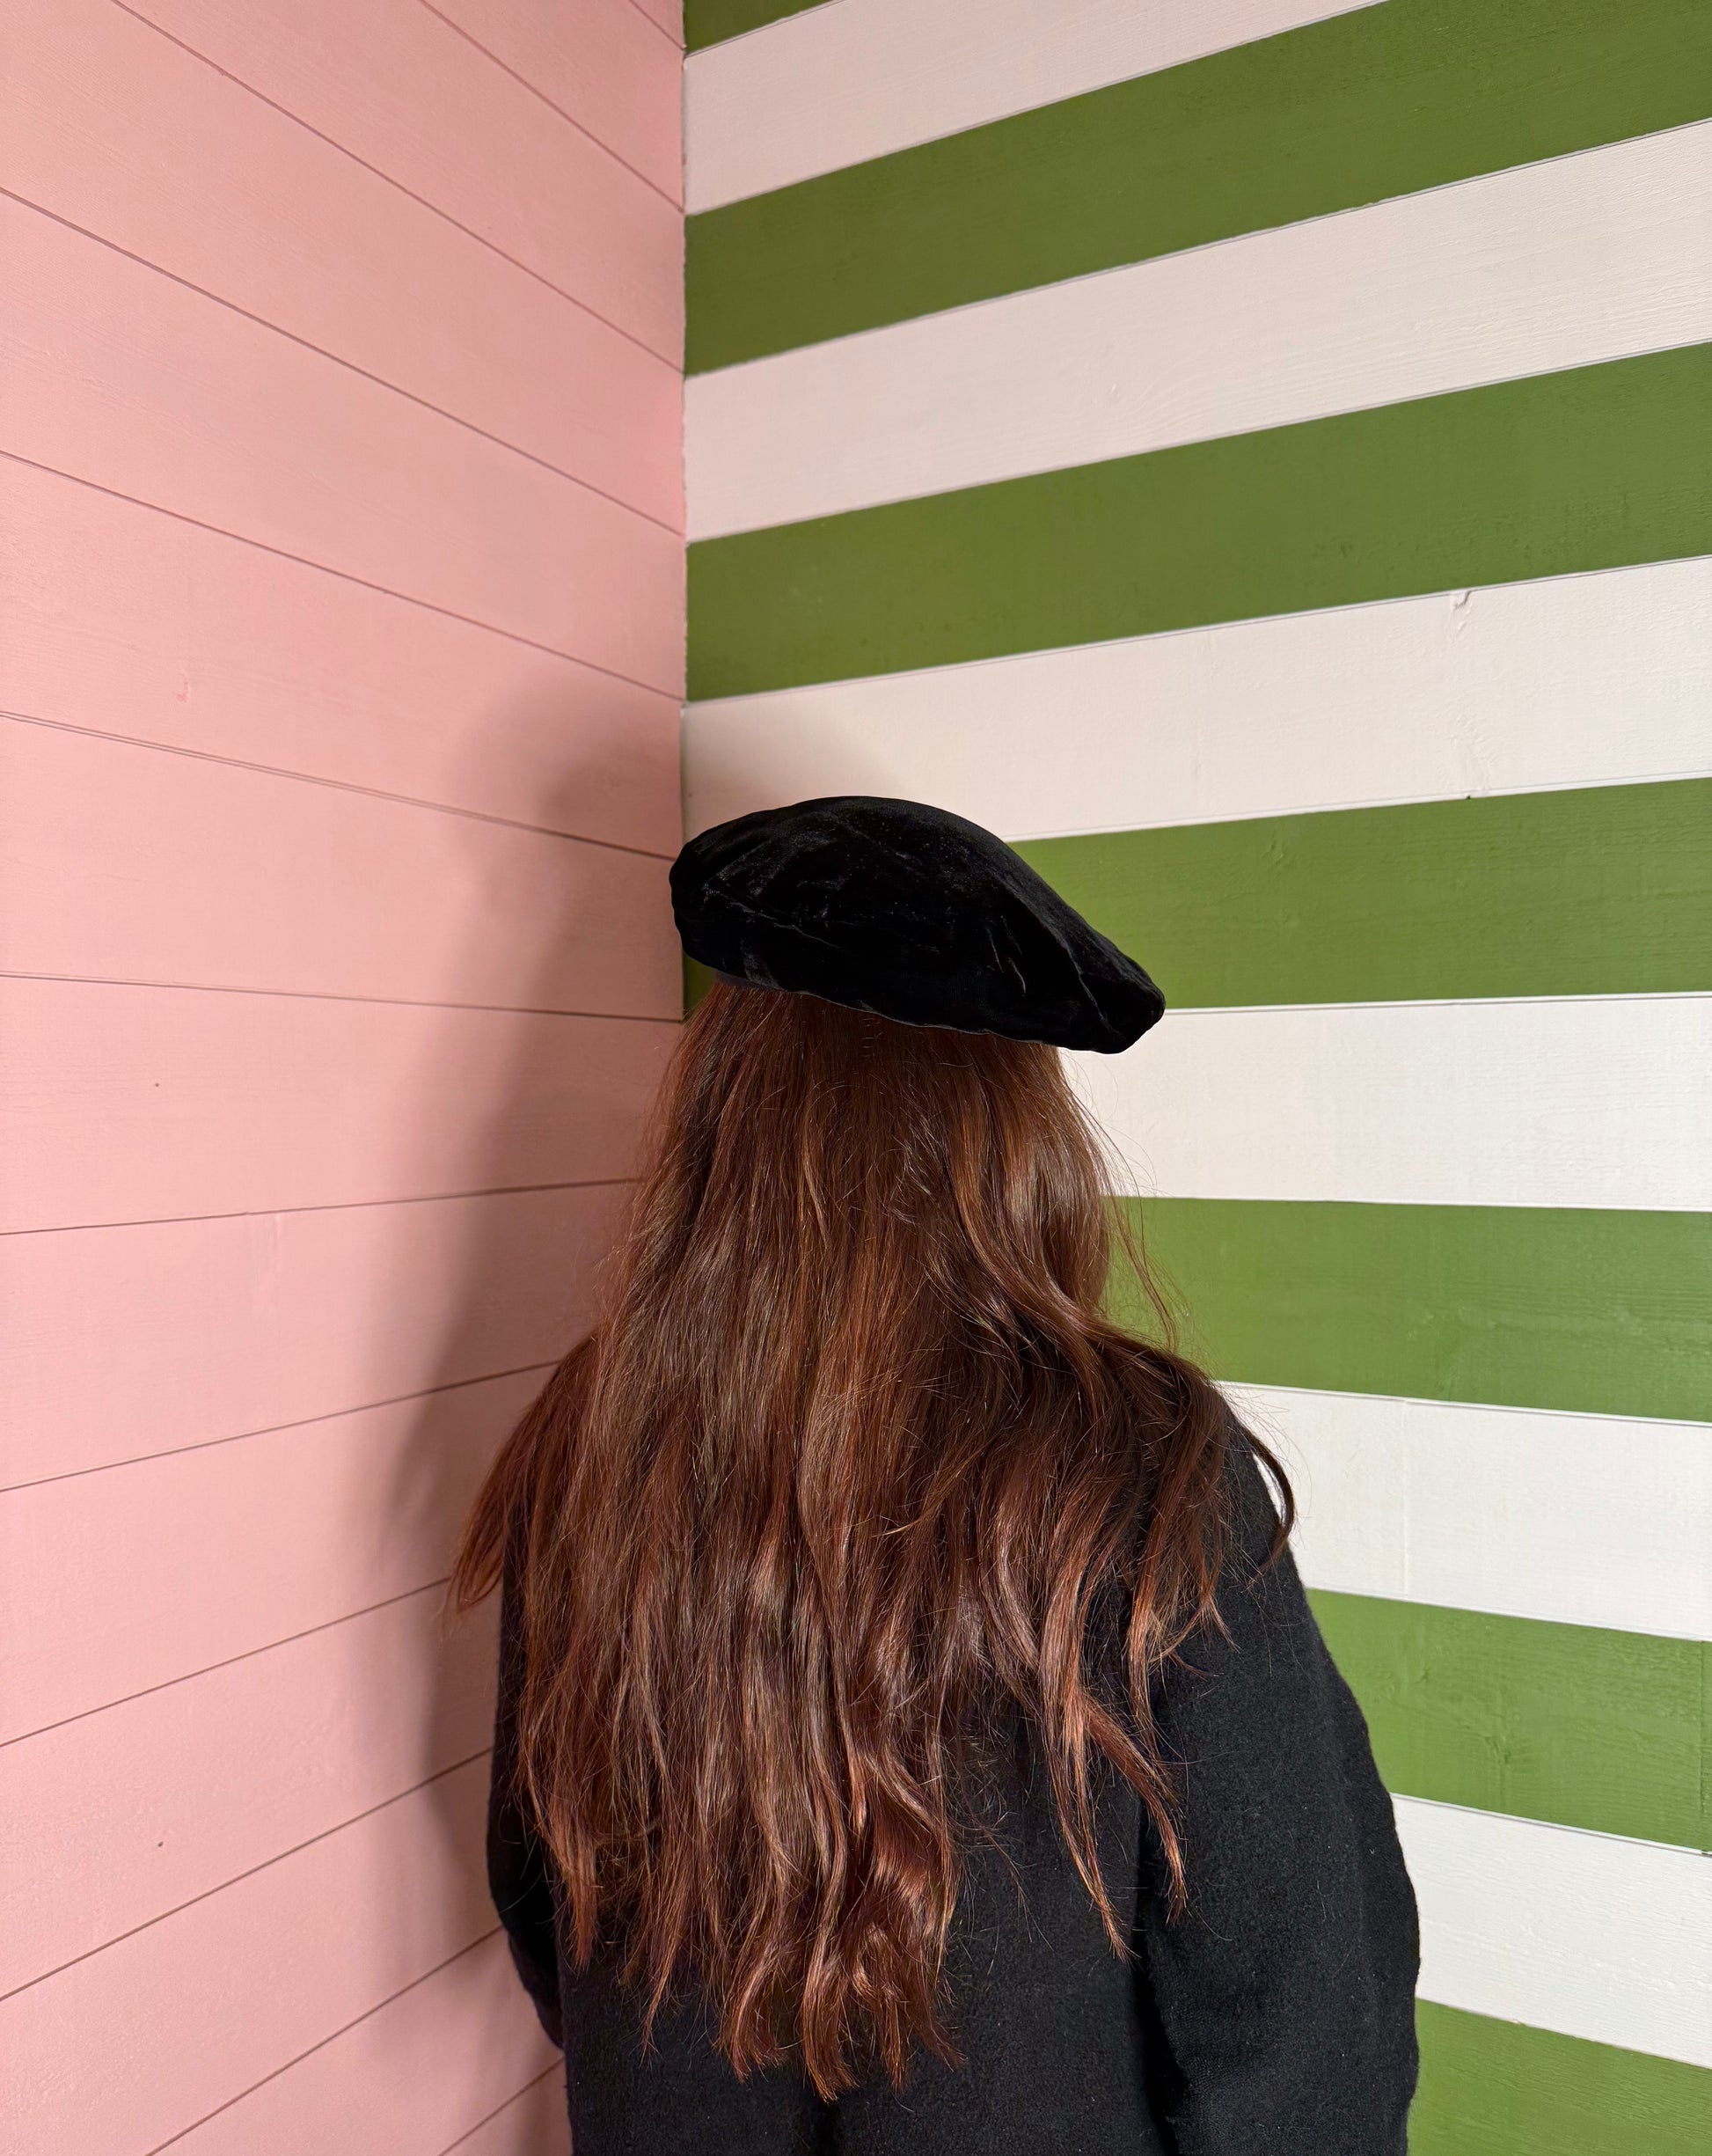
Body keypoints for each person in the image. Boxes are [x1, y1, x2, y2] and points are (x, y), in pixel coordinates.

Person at [452, 797, 1419, 2153]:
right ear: (1013, 1130)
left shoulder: (598, 1432)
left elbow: (542, 1889)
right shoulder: (1140, 1465)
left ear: (725, 1109)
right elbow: (1299, 2012)